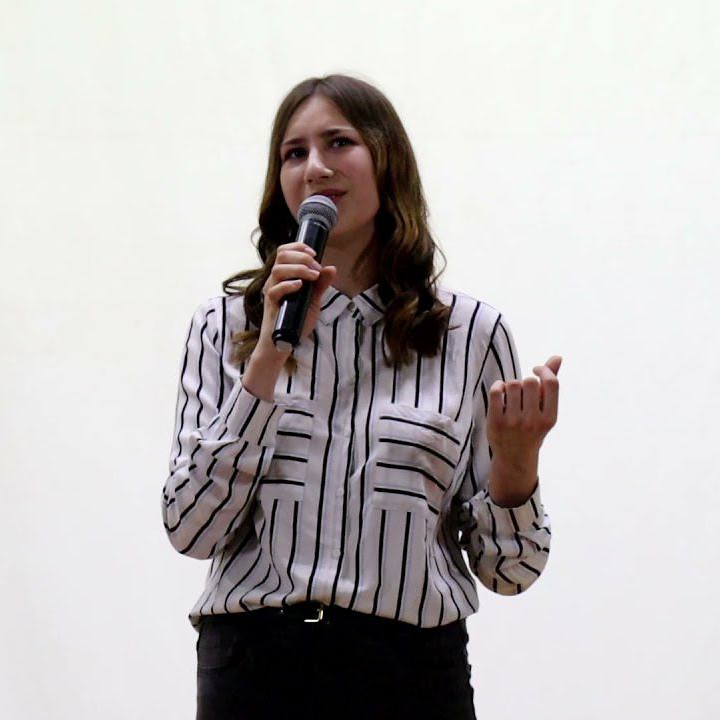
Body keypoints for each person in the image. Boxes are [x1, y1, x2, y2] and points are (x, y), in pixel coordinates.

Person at [162, 74, 561, 719]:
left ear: (387, 160)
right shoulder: (225, 325)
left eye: (338, 142)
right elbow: (191, 529)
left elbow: (511, 571)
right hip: (256, 671)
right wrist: (266, 359)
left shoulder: (470, 334)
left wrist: (517, 467)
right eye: (294, 153)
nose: (315, 167)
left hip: (410, 675)